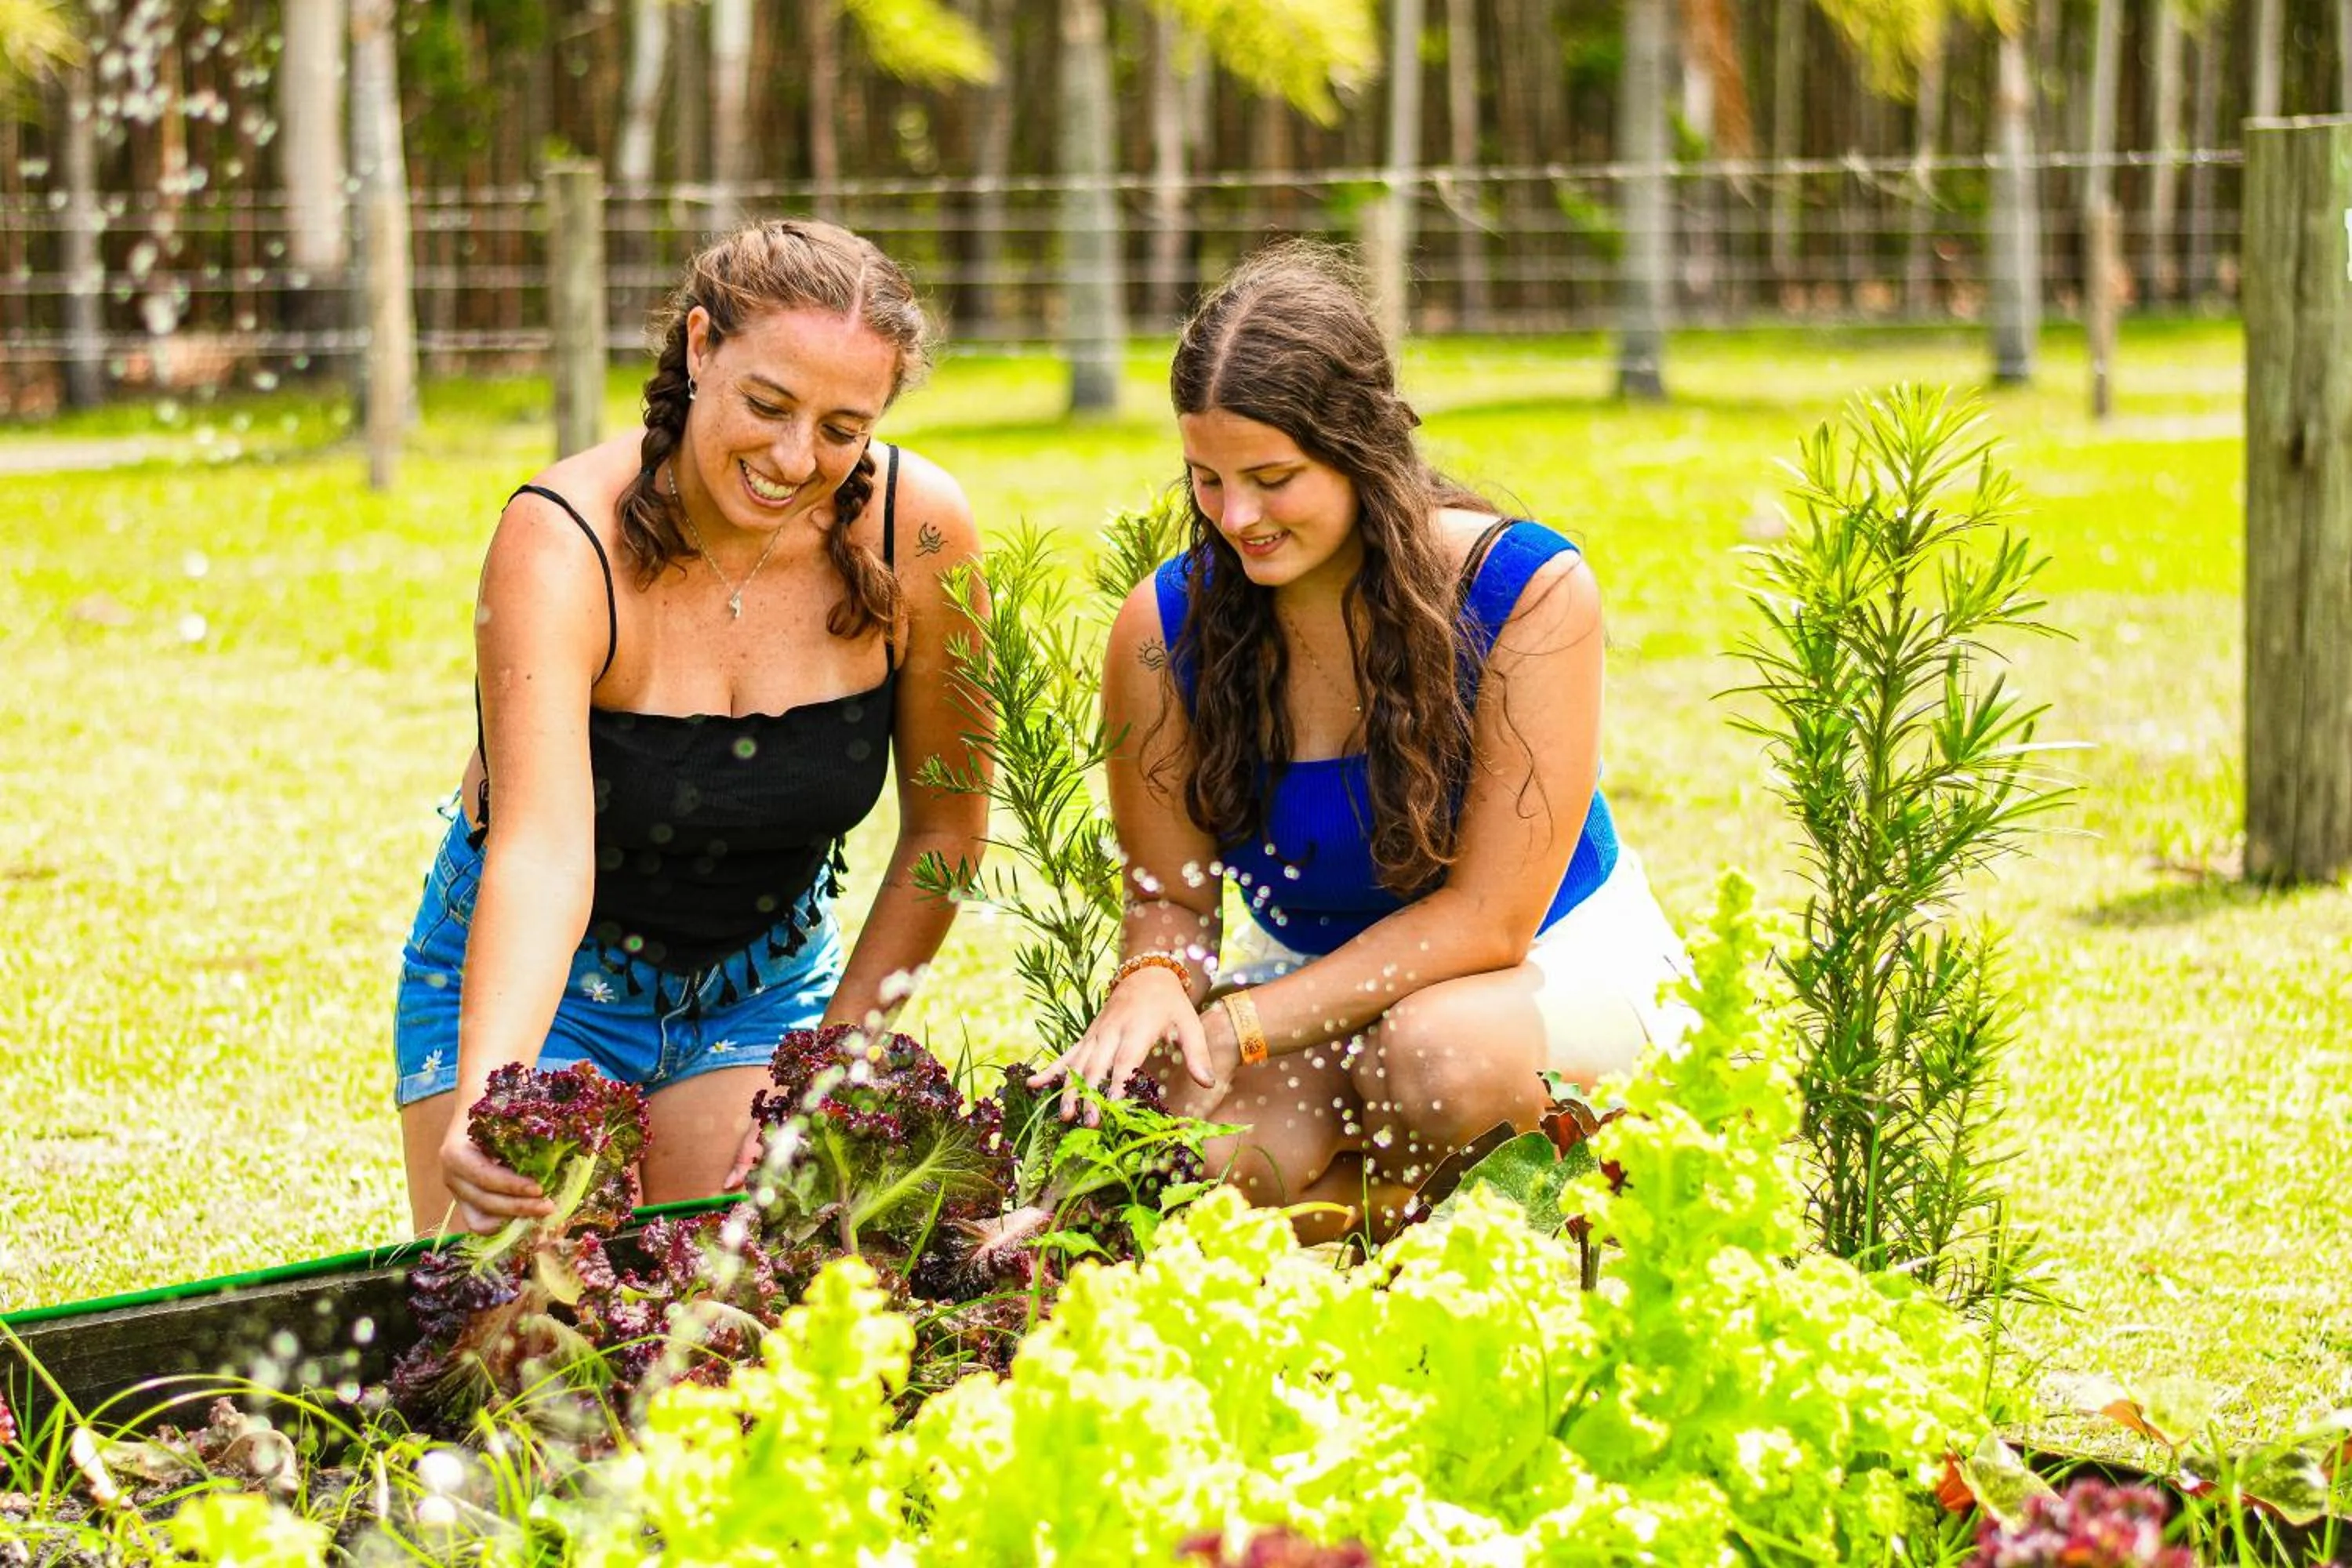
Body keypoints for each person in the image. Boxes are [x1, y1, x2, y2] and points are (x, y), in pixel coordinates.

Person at [1040, 242, 1688, 1243]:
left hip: (1552, 963)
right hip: (1326, 989)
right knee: (1197, 1161)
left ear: (1360, 445)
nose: (1236, 518)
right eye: (1207, 479)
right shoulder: (1165, 630)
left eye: (1273, 477)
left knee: (1429, 1058)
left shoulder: (1526, 590)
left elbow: (1488, 922)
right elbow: (1170, 896)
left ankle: (1591, 1220)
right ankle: (1400, 1245)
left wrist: (1244, 1021)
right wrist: (1155, 983)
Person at [394, 219, 987, 1236]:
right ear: (702, 346)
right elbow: (540, 849)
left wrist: (828, 1068)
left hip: (759, 992)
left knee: (741, 1329)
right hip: (548, 986)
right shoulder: (559, 539)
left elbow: (946, 831)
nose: (796, 458)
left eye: (843, 429)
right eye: (767, 405)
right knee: (524, 1343)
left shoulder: (918, 528)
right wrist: (501, 1087)